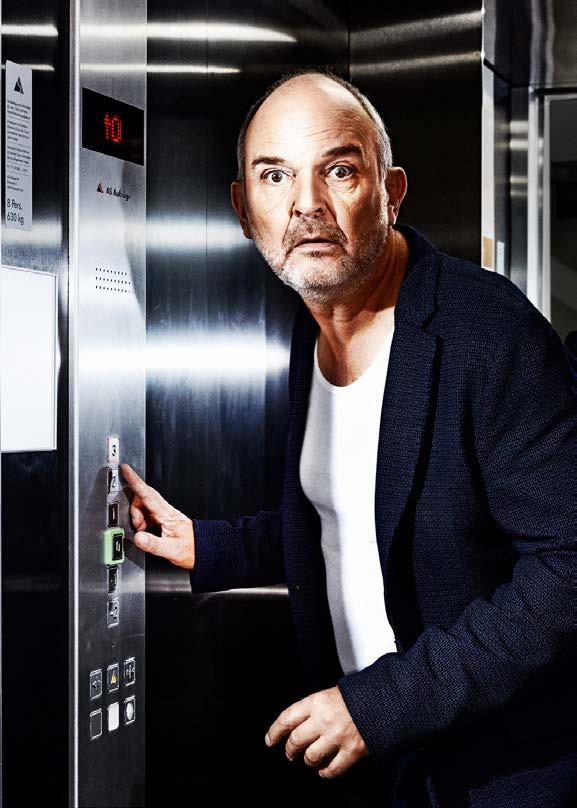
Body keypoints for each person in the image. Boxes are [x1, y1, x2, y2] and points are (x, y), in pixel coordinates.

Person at [121, 69, 577, 806]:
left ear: (390, 193)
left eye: (338, 170)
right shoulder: (311, 329)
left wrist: (380, 704)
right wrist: (212, 545)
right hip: (387, 771)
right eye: (274, 176)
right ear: (243, 210)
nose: (306, 204)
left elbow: (567, 570)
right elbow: (357, 514)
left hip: (500, 774)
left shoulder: (488, 334)